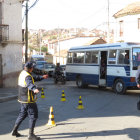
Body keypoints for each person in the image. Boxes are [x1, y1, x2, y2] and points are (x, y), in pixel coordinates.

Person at [11, 61, 48, 140]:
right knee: (33, 116)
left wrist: (42, 77)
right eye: (32, 68)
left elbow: (32, 79)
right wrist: (34, 89)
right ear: (30, 68)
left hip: (22, 99)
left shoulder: (23, 73)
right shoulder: (27, 76)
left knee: (22, 115)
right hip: (28, 100)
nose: (33, 69)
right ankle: (31, 135)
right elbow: (29, 84)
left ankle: (14, 131)